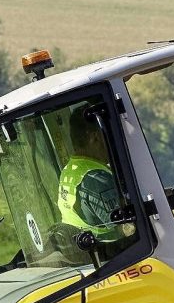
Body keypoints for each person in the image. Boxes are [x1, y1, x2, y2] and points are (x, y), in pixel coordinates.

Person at [52, 104, 133, 252]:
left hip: (85, 253)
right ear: (95, 137)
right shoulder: (97, 179)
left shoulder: (70, 170)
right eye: (108, 134)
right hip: (110, 255)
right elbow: (129, 229)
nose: (113, 141)